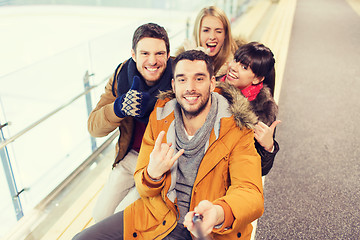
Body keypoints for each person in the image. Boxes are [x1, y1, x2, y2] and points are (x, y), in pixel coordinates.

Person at [73, 50, 264, 240]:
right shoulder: (161, 116)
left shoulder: (237, 127)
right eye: (182, 79)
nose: (190, 88)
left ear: (212, 83)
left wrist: (219, 212)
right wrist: (152, 175)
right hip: (158, 216)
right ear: (174, 84)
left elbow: (250, 193)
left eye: (199, 79)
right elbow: (144, 185)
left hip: (203, 228)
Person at [88, 23, 173, 222]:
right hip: (131, 158)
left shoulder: (179, 75)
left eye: (159, 53)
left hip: (162, 164)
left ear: (168, 55)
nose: (152, 61)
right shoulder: (121, 75)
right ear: (133, 55)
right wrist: (118, 108)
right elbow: (94, 127)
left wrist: (156, 108)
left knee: (122, 220)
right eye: (145, 53)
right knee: (99, 216)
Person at [217, 41, 280, 175]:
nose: (233, 67)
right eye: (235, 60)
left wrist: (268, 147)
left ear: (257, 79)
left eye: (244, 67)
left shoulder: (264, 110)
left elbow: (260, 170)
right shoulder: (212, 86)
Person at [177, 6, 244, 78]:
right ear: (198, 33)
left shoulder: (240, 65)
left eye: (218, 31)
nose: (212, 37)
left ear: (225, 35)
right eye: (206, 30)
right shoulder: (180, 64)